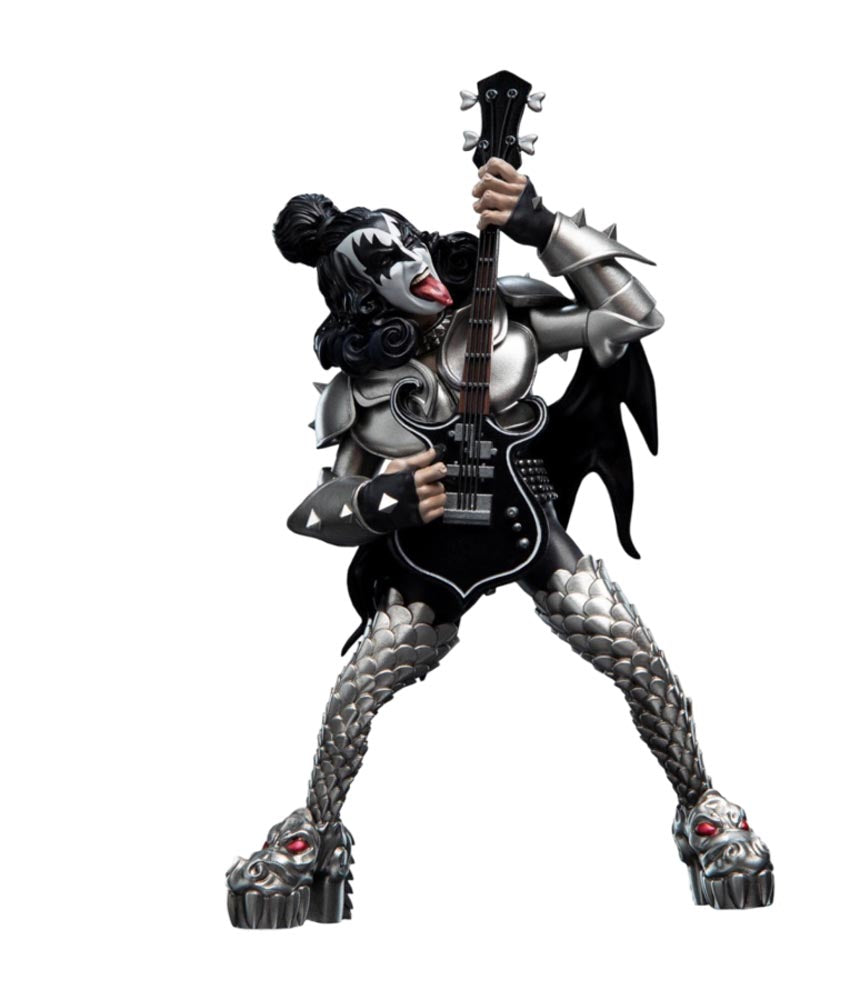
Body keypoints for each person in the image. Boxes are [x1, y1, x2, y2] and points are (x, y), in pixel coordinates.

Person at [226, 159, 773, 929]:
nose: (412, 262)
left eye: (409, 243)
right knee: (355, 694)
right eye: (385, 263)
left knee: (635, 655)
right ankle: (314, 831)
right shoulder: (361, 389)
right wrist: (384, 499)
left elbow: (631, 318)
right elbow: (313, 510)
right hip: (429, 560)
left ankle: (702, 806)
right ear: (361, 297)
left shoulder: (501, 322)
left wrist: (541, 225)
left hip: (528, 531)